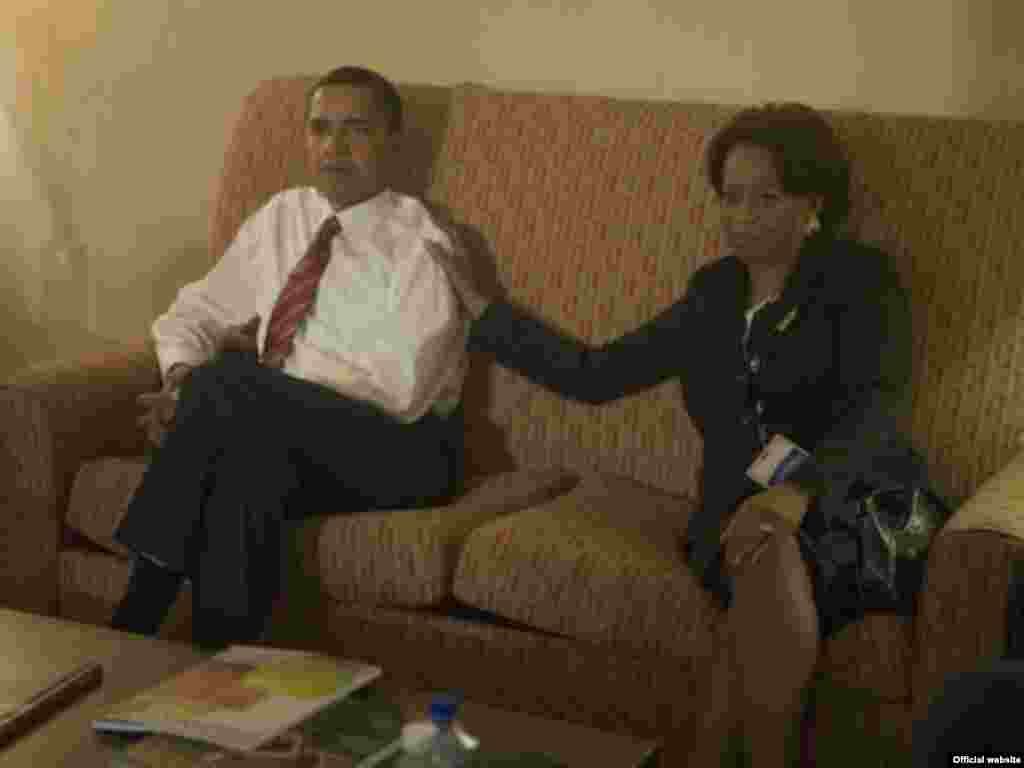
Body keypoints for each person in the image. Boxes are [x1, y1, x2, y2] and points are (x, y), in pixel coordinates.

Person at [429, 103, 917, 767]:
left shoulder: (861, 282)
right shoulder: (713, 293)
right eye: (730, 197)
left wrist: (794, 494)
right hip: (734, 515)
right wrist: (486, 310)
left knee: (764, 553)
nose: (741, 216)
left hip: (848, 503)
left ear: (815, 205)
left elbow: (875, 412)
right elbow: (596, 375)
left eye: (766, 198)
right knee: (753, 552)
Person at [110, 66, 469, 651]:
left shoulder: (421, 240)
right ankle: (223, 677)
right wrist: (179, 378)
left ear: (392, 143)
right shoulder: (283, 217)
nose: (334, 148)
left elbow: (402, 388)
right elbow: (194, 311)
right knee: (246, 464)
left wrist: (255, 396)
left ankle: (137, 618)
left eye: (356, 131)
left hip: (405, 448)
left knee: (232, 388)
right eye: (320, 129)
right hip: (285, 434)